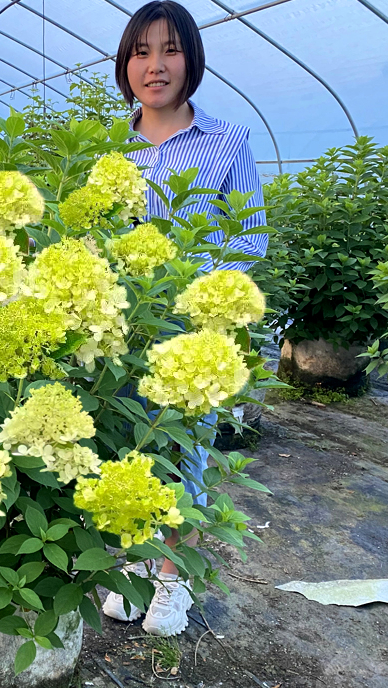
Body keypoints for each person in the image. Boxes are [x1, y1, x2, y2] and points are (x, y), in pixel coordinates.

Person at [101, 0, 268, 635]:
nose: (155, 65)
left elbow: (249, 240)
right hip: (120, 332)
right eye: (141, 52)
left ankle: (174, 580)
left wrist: (190, 286)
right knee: (129, 452)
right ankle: (140, 567)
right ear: (126, 65)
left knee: (185, 454)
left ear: (191, 60)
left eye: (169, 49)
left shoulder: (226, 141)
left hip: (191, 332)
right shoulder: (111, 148)